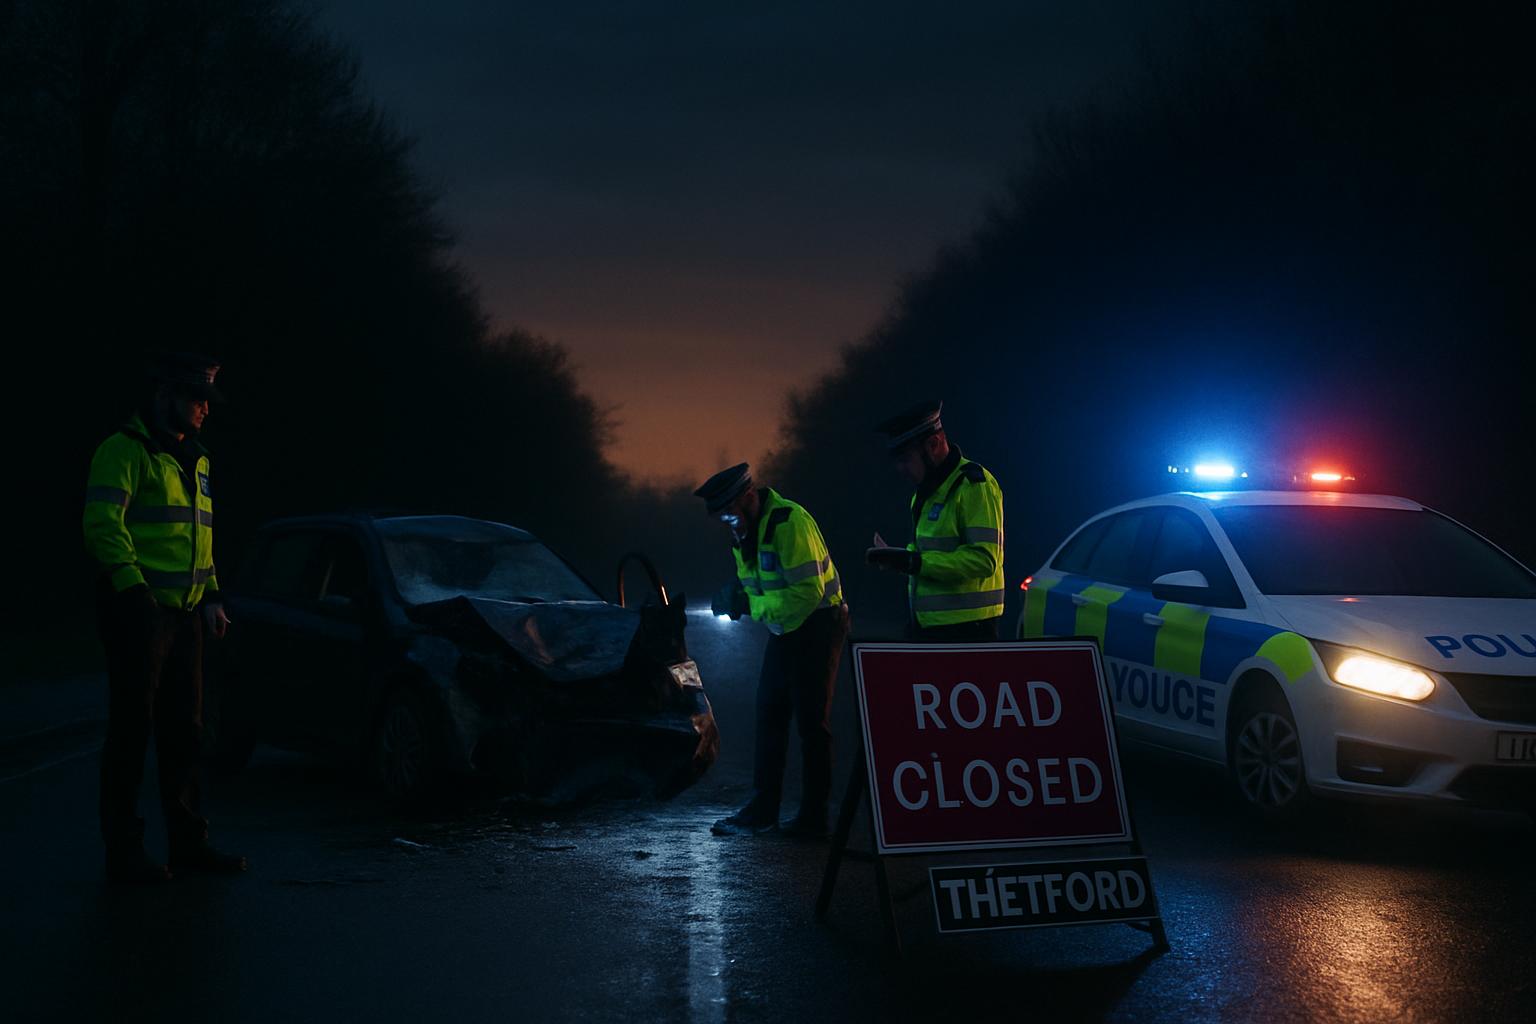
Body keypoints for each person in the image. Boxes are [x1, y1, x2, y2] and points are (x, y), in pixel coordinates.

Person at [82, 352, 246, 882]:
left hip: (186, 615)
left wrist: (214, 595)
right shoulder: (123, 451)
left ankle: (187, 844)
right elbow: (103, 524)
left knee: (185, 732)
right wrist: (134, 591)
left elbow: (200, 539)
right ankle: (124, 853)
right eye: (196, 399)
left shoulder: (197, 459)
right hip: (140, 612)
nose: (205, 409)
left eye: (207, 400)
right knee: (132, 731)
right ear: (164, 397)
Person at [696, 463, 850, 838]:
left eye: (730, 513)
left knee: (813, 724)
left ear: (750, 497)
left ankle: (814, 818)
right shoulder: (745, 530)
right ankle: (764, 809)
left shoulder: (789, 523)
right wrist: (740, 596)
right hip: (787, 628)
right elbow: (761, 587)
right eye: (723, 517)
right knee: (770, 714)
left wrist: (749, 605)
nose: (729, 522)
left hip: (819, 624)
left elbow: (806, 593)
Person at [867, 399, 1005, 640]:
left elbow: (984, 559)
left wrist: (914, 563)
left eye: (905, 459)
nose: (900, 469)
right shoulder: (925, 493)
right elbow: (928, 553)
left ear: (934, 444)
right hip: (927, 626)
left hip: (969, 631)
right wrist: (900, 558)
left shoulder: (975, 485)